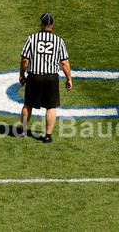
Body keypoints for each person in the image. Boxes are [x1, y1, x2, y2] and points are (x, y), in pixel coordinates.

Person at [19, 12, 72, 143]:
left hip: (34, 76)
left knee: (28, 104)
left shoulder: (32, 38)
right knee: (51, 107)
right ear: (52, 25)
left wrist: (21, 74)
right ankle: (48, 135)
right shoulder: (59, 41)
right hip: (51, 77)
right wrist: (69, 78)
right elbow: (64, 62)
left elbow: (25, 59)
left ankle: (23, 130)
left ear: (41, 24)